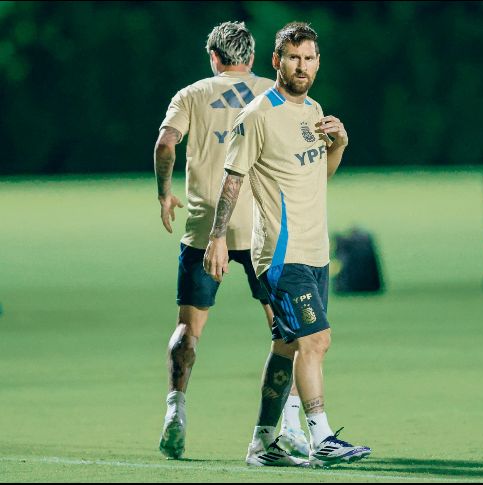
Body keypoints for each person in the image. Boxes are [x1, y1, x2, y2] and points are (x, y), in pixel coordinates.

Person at [204, 22, 371, 467]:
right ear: (277, 61)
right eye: (294, 58)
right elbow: (232, 181)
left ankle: (262, 445)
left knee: (287, 346)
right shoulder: (257, 115)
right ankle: (321, 436)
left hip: (316, 253)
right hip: (281, 253)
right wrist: (218, 238)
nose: (302, 66)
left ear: (318, 63)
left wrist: (339, 145)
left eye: (309, 58)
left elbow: (318, 177)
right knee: (316, 340)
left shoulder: (313, 110)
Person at [154, 21, 309, 462]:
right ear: (253, 57)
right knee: (286, 331)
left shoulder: (191, 94)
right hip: (265, 227)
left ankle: (175, 410)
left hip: (206, 229)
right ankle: (288, 426)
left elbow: (165, 144)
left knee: (188, 328)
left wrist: (164, 193)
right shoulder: (272, 93)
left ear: (214, 57)